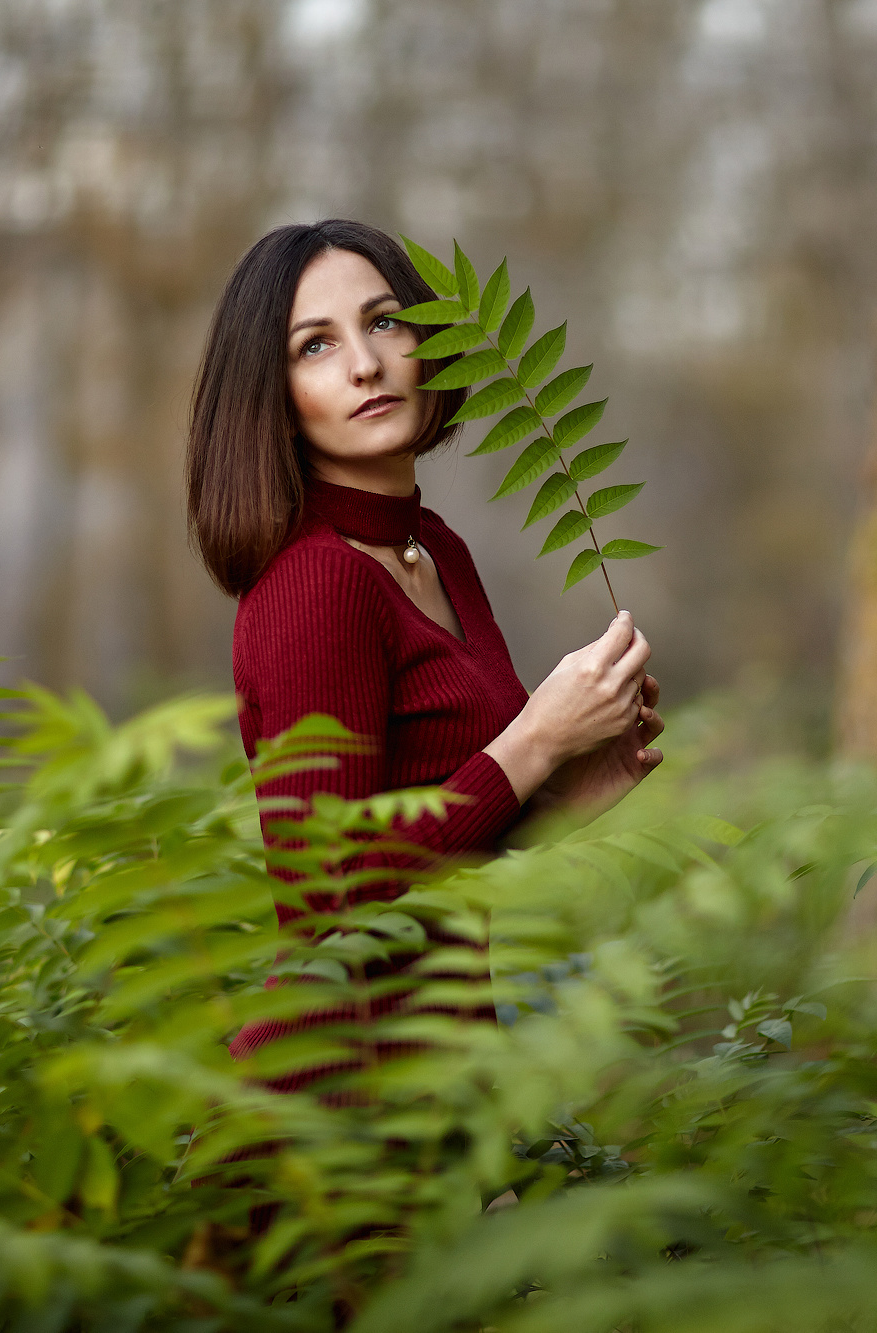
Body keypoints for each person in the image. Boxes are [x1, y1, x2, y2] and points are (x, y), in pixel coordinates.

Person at [185, 218, 663, 1096]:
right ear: (273, 396)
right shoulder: (314, 586)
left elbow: (427, 849)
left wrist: (555, 799)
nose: (364, 363)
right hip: (334, 1107)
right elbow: (332, 899)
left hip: (442, 1087)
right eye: (315, 345)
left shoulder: (432, 549)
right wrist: (532, 745)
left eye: (385, 321)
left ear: (429, 342)